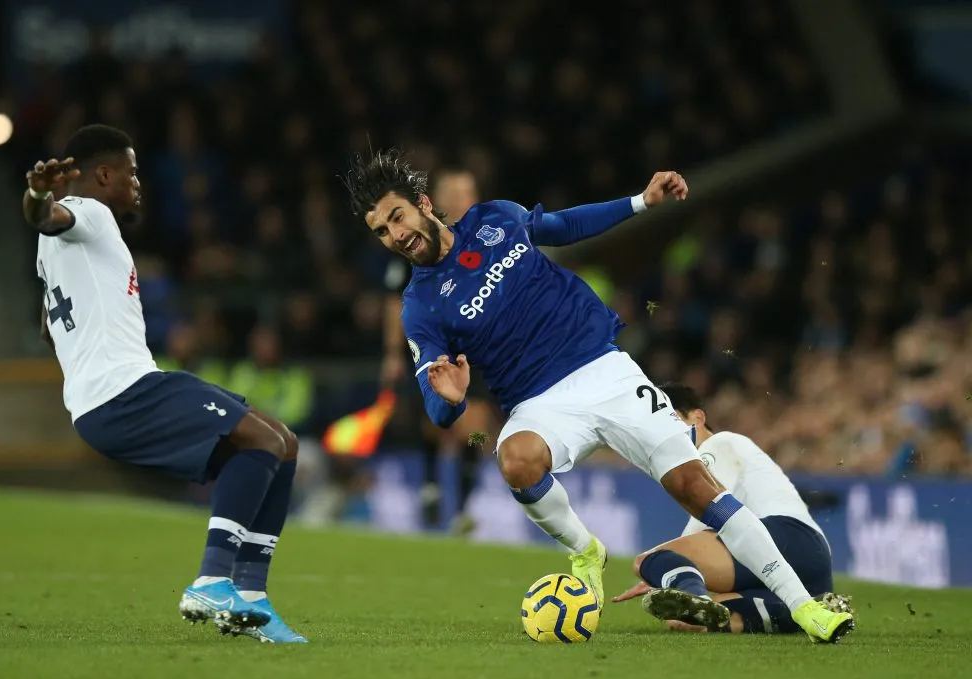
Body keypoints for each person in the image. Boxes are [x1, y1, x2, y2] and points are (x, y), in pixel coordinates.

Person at [341, 148, 853, 643]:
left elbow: (562, 226)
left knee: (698, 486)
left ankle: (804, 607)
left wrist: (639, 202)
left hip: (605, 370)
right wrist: (451, 399)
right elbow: (436, 407)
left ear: (424, 205)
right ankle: (586, 551)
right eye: (382, 231)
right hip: (539, 403)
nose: (396, 235)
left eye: (397, 217)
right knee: (515, 459)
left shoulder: (496, 218)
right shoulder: (420, 307)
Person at [24, 124, 306, 644]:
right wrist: (40, 193)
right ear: (103, 174)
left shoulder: (58, 255)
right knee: (264, 441)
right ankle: (214, 581)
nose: (137, 183)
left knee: (282, 444)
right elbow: (45, 214)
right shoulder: (90, 214)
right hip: (126, 390)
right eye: (131, 172)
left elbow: (48, 327)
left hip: (108, 397)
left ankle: (251, 599)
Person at [612, 383, 853, 636]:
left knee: (647, 560)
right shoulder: (722, 453)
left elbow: (710, 514)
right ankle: (801, 610)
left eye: (672, 420)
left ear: (698, 417)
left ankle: (696, 596)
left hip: (784, 535)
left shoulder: (719, 443)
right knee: (687, 622)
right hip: (811, 562)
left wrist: (667, 571)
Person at [380, 167, 499, 533]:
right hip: (433, 348)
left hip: (480, 351)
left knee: (475, 430)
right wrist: (392, 353)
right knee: (434, 426)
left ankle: (463, 504)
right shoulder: (416, 243)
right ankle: (431, 485)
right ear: (438, 199)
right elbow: (392, 301)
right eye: (454, 192)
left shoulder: (488, 236)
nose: (461, 199)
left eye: (467, 192)